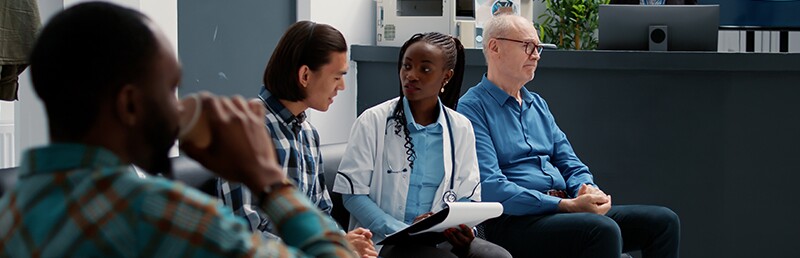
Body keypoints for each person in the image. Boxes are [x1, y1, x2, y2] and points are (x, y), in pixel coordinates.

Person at [0, 3, 357, 257]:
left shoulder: (11, 212)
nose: (178, 108)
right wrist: (265, 177)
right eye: (169, 89)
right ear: (130, 104)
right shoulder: (158, 214)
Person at [457, 14, 681, 258]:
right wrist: (564, 205)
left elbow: (570, 163)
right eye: (528, 46)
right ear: (494, 47)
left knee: (663, 222)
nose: (536, 55)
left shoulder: (537, 104)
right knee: (602, 230)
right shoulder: (472, 107)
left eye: (539, 48)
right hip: (515, 222)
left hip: (562, 209)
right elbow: (490, 187)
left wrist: (587, 190)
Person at [332, 32, 511, 258]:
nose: (411, 75)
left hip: (440, 237)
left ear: (446, 76)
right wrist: (402, 230)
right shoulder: (372, 121)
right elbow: (353, 195)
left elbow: (468, 197)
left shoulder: (461, 127)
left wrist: (462, 228)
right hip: (386, 240)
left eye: (424, 69)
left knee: (498, 256)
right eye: (407, 66)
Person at [216, 21, 377, 257]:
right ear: (304, 75)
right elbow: (246, 234)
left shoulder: (308, 134)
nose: (342, 86)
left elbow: (321, 213)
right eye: (336, 77)